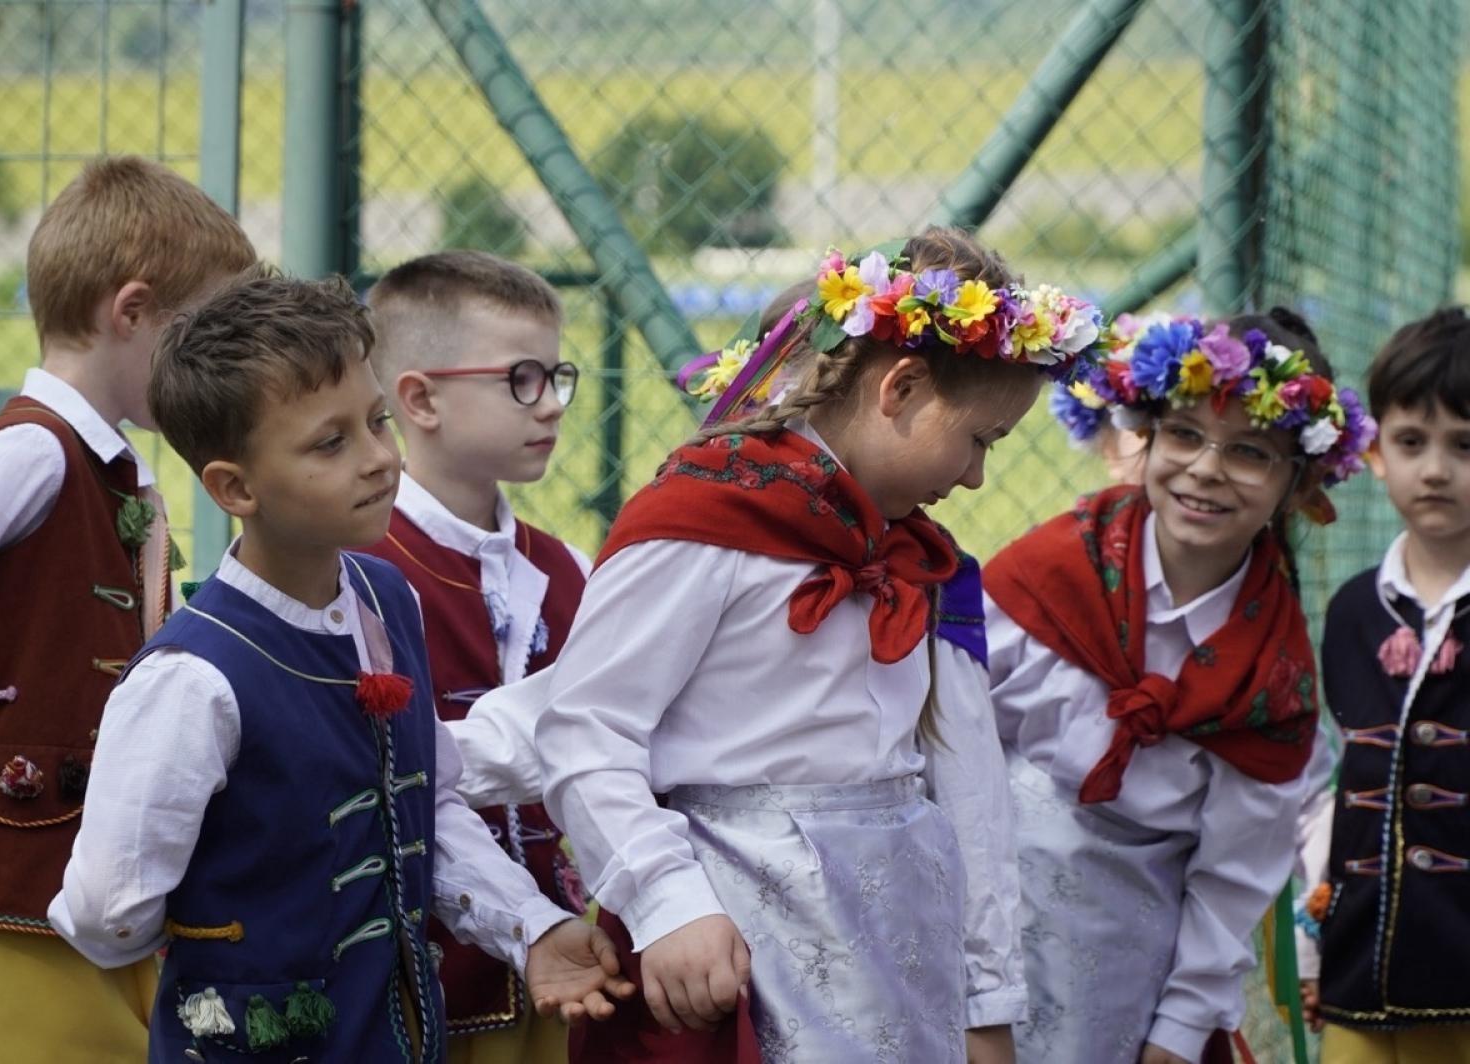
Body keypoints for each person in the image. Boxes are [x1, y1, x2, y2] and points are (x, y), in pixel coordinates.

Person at [518, 228, 1101, 1062]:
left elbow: (970, 796)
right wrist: (670, 905)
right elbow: (584, 730)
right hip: (731, 952)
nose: (975, 478)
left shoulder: (916, 563)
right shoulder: (707, 522)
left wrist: (984, 1004)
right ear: (899, 387)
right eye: (979, 440)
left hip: (889, 961)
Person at [48, 275, 632, 1063]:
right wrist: (243, 939)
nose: (379, 460)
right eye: (331, 443)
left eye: (376, 422)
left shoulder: (385, 599)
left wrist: (530, 928)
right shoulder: (192, 679)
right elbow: (104, 912)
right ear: (234, 487)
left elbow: (424, 800)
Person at [0, 156, 256, 1063]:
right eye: (205, 336)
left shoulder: (109, 467)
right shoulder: (31, 456)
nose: (223, 370)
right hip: (8, 882)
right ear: (131, 313)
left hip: (93, 880)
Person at [990, 309, 1374, 1064]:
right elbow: (945, 751)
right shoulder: (1046, 578)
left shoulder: (1274, 679)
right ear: (1148, 436)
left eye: (1250, 452)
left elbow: (1234, 878)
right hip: (983, 921)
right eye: (1186, 435)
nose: (1205, 468)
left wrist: (1180, 1028)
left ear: (1297, 486)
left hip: (1132, 966)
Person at [361, 250, 592, 1064]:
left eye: (558, 376)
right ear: (419, 398)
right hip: (404, 977)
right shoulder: (361, 565)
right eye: (521, 379)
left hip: (563, 975)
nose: (552, 405)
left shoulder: (569, 567)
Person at [1300, 306, 1470, 1064]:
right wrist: (1312, 947)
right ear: (1373, 452)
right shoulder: (1352, 612)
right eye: (1412, 442)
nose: (1435, 469)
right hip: (1356, 976)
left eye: (1465, 446)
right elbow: (1332, 789)